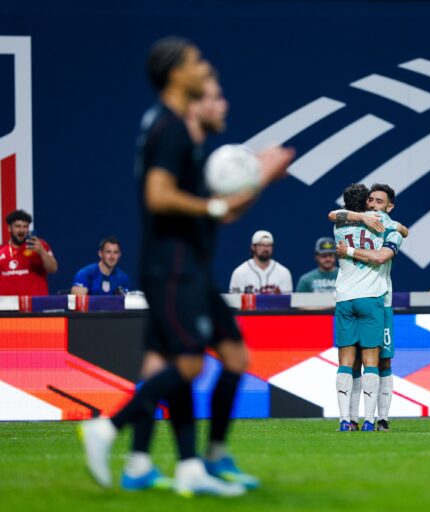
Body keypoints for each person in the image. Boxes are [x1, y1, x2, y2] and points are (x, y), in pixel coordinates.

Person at [78, 37, 294, 497]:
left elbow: (225, 209)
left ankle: (179, 464)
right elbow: (161, 197)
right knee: (188, 365)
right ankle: (110, 428)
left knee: (206, 359)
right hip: (173, 267)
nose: (206, 66)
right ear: (177, 74)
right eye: (198, 62)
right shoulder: (172, 130)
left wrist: (258, 180)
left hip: (187, 266)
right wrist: (230, 197)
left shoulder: (173, 131)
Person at [331, 183, 408, 431]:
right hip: (375, 299)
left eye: (379, 201)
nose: (374, 204)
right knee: (372, 362)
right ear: (365, 203)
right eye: (371, 200)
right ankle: (365, 420)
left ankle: (363, 419)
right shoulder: (386, 226)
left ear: (389, 205)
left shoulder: (339, 225)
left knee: (358, 362)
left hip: (350, 298)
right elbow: (400, 234)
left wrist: (349, 249)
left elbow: (333, 214)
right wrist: (374, 219)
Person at [0, 209, 58, 296]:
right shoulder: (1, 250)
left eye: (25, 226)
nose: (22, 230)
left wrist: (41, 252)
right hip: (6, 306)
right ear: (9, 228)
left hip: (34, 306)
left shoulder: (39, 245)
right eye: (18, 226)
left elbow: (53, 269)